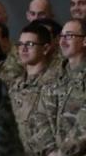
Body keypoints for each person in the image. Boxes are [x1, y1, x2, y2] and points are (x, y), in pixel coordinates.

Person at [32, 19, 86, 155]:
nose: (62, 42)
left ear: (84, 41)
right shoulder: (54, 75)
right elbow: (40, 115)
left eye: (69, 36)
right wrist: (50, 151)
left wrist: (62, 153)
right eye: (61, 36)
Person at [8, 24, 58, 155]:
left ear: (45, 48)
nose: (23, 49)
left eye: (30, 44)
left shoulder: (57, 84)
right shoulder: (14, 85)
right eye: (20, 44)